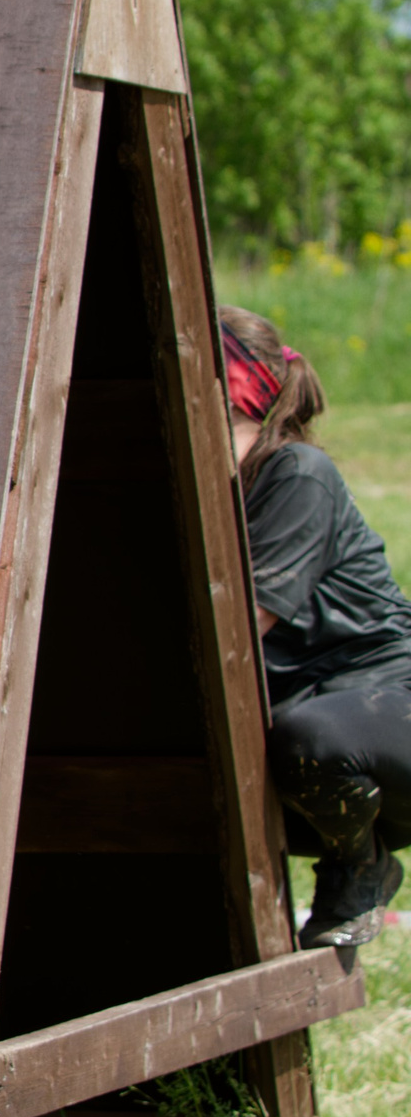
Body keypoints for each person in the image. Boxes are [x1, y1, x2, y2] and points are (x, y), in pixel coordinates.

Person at [224, 306, 411, 947]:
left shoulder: (297, 473)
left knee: (310, 738)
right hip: (308, 728)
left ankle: (359, 868)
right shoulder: (213, 490)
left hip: (383, 711)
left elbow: (237, 630)